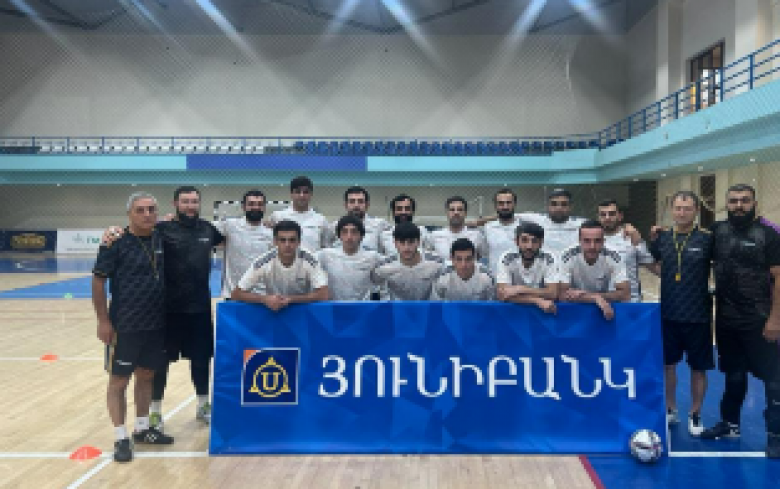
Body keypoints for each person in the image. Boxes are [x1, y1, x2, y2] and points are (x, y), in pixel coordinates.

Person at [101, 186, 225, 429]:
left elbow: (232, 239)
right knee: (159, 365)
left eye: (194, 201)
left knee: (201, 359)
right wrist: (114, 231)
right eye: (185, 201)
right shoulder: (162, 229)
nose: (190, 206)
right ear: (175, 204)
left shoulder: (208, 230)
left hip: (199, 308)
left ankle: (203, 405)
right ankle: (155, 411)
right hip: (165, 310)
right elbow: (136, 230)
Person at [699, 184, 780, 458]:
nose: (739, 206)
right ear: (727, 204)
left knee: (774, 379)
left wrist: (775, 320)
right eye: (734, 201)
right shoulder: (717, 231)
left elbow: (779, 278)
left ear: (754, 204)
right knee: (734, 375)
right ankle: (730, 424)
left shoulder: (768, 234)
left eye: (745, 201)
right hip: (726, 319)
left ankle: (776, 435)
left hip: (760, 320)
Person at [92, 192, 173, 463]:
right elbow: (98, 282)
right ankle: (120, 437)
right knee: (119, 381)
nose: (147, 214)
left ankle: (142, 429)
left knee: (147, 375)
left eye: (151, 209)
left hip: (155, 324)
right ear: (129, 214)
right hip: (124, 326)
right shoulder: (115, 242)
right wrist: (103, 320)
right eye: (140, 210)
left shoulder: (161, 237)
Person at [648, 190, 714, 436]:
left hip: (698, 315)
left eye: (687, 208)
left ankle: (695, 413)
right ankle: (670, 408)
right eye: (678, 208)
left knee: (698, 368)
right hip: (668, 312)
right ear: (671, 210)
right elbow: (652, 262)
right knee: (668, 365)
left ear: (696, 210)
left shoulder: (708, 239)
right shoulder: (662, 238)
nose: (682, 212)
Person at [232, 220, 329, 309]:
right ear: (275, 242)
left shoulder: (310, 260)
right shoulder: (263, 262)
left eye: (292, 240)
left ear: (299, 242)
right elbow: (236, 294)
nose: (287, 245)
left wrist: (291, 299)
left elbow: (324, 294)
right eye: (282, 240)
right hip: (274, 309)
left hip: (302, 309)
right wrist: (264, 299)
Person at [558, 220, 630, 320]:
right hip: (574, 309)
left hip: (601, 309)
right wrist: (595, 298)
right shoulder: (567, 256)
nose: (592, 246)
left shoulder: (614, 256)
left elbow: (625, 295)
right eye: (587, 241)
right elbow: (561, 295)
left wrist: (592, 296)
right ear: (579, 240)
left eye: (597, 241)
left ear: (604, 241)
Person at [214, 189, 273, 298]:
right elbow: (203, 229)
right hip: (233, 295)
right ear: (243, 206)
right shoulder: (229, 225)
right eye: (251, 204)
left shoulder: (271, 233)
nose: (256, 207)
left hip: (261, 296)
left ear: (264, 207)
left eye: (260, 204)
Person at [496, 222, 560, 314]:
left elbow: (553, 293)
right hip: (513, 312)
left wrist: (521, 289)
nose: (529, 246)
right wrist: (536, 300)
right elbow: (502, 294)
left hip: (542, 313)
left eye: (534, 241)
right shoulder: (507, 258)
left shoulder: (549, 258)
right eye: (524, 240)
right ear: (516, 242)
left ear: (541, 243)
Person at [597, 199, 654, 302]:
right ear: (598, 217)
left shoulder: (632, 236)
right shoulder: (591, 241)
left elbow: (651, 264)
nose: (607, 218)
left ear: (620, 216)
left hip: (631, 302)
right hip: (602, 302)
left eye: (611, 214)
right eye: (603, 214)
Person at [372, 222, 445, 300]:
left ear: (418, 242)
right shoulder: (384, 266)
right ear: (395, 243)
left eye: (411, 242)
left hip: (427, 306)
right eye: (402, 242)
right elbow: (373, 285)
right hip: (397, 306)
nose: (406, 248)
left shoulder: (436, 262)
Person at [318, 215, 383, 301]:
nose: (349, 237)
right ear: (339, 235)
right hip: (334, 307)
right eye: (344, 232)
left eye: (354, 232)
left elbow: (393, 265)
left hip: (362, 307)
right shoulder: (325, 255)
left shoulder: (373, 257)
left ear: (361, 235)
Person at [269, 176, 333, 252]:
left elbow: (325, 248)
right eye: (297, 192)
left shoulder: (321, 220)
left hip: (312, 259)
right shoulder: (278, 217)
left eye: (305, 192)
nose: (302, 195)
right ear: (291, 194)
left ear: (311, 194)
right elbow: (272, 245)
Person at [516, 188, 586, 255]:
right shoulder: (536, 220)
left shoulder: (582, 224)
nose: (559, 208)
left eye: (564, 204)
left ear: (570, 206)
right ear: (548, 206)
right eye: (554, 204)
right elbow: (512, 216)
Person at [330, 186, 390, 252]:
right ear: (345, 205)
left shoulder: (380, 224)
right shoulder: (334, 226)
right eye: (352, 201)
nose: (356, 205)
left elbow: (388, 250)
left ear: (367, 205)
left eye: (360, 201)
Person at [428, 196, 487, 261]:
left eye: (460, 209)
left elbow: (483, 256)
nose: (456, 213)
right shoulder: (435, 235)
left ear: (465, 213)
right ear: (447, 213)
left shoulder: (477, 235)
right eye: (452, 210)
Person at [483, 188, 523, 274]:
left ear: (514, 204)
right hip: (495, 279)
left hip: (519, 279)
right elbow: (483, 252)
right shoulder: (488, 228)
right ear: (495, 206)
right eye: (501, 203)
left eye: (508, 203)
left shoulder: (524, 227)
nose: (505, 207)